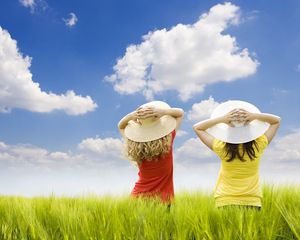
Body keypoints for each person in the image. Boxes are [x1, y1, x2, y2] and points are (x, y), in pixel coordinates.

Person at [193, 100, 281, 209]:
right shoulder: (259, 144)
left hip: (225, 199)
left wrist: (223, 119)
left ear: (228, 128)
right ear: (250, 127)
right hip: (252, 200)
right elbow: (276, 121)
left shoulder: (221, 146)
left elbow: (197, 127)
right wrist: (254, 116)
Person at [118, 101, 184, 204]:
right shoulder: (167, 140)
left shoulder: (134, 144)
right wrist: (163, 112)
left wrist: (131, 116)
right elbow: (180, 113)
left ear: (139, 123)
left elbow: (121, 126)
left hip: (137, 198)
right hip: (164, 200)